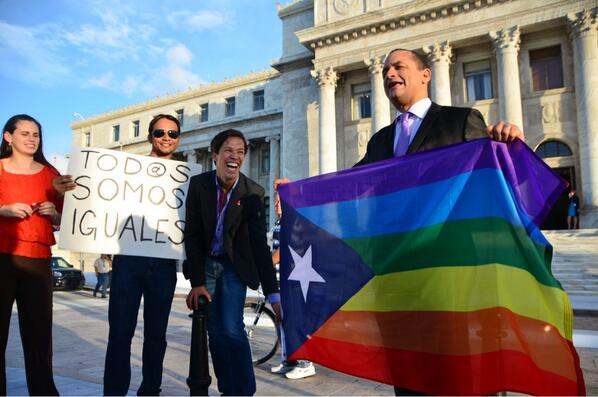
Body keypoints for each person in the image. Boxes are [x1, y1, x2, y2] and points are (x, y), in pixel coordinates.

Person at [275, 48, 525, 395]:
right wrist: (298, 197)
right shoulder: (380, 141)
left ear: (426, 74)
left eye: (398, 66)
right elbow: (348, 191)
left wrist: (509, 147)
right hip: (399, 284)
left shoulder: (461, 120)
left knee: (465, 376)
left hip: (451, 279)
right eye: (385, 69)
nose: (389, 73)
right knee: (409, 380)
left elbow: (500, 185)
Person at [55, 114, 183, 395]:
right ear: (149, 136)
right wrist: (69, 190)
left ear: (178, 139)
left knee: (156, 336)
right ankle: (114, 391)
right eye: (160, 132)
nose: (166, 137)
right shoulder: (127, 170)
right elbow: (99, 201)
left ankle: (151, 389)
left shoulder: (186, 178)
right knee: (120, 333)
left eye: (172, 133)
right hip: (128, 261)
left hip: (163, 264)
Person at [183, 129, 281, 396]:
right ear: (215, 155)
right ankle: (228, 389)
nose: (234, 156)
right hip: (205, 264)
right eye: (228, 150)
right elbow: (190, 235)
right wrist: (197, 282)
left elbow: (260, 246)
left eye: (240, 152)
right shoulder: (198, 185)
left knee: (231, 328)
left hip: (233, 266)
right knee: (214, 332)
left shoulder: (253, 192)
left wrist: (273, 294)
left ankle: (245, 390)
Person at [0, 114, 62, 396]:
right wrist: (3, 210)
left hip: (38, 260)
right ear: (8, 137)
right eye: (24, 133)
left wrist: (54, 212)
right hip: (2, 257)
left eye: (35, 134)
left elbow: (66, 221)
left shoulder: (52, 175)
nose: (31, 139)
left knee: (39, 335)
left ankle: (43, 391)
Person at [269, 192, 316, 379]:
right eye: (275, 202)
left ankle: (306, 363)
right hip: (282, 279)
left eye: (281, 201)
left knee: (297, 321)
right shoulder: (279, 223)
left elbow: (285, 250)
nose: (277, 205)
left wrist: (267, 263)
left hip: (295, 280)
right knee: (283, 321)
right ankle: (289, 360)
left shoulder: (294, 222)